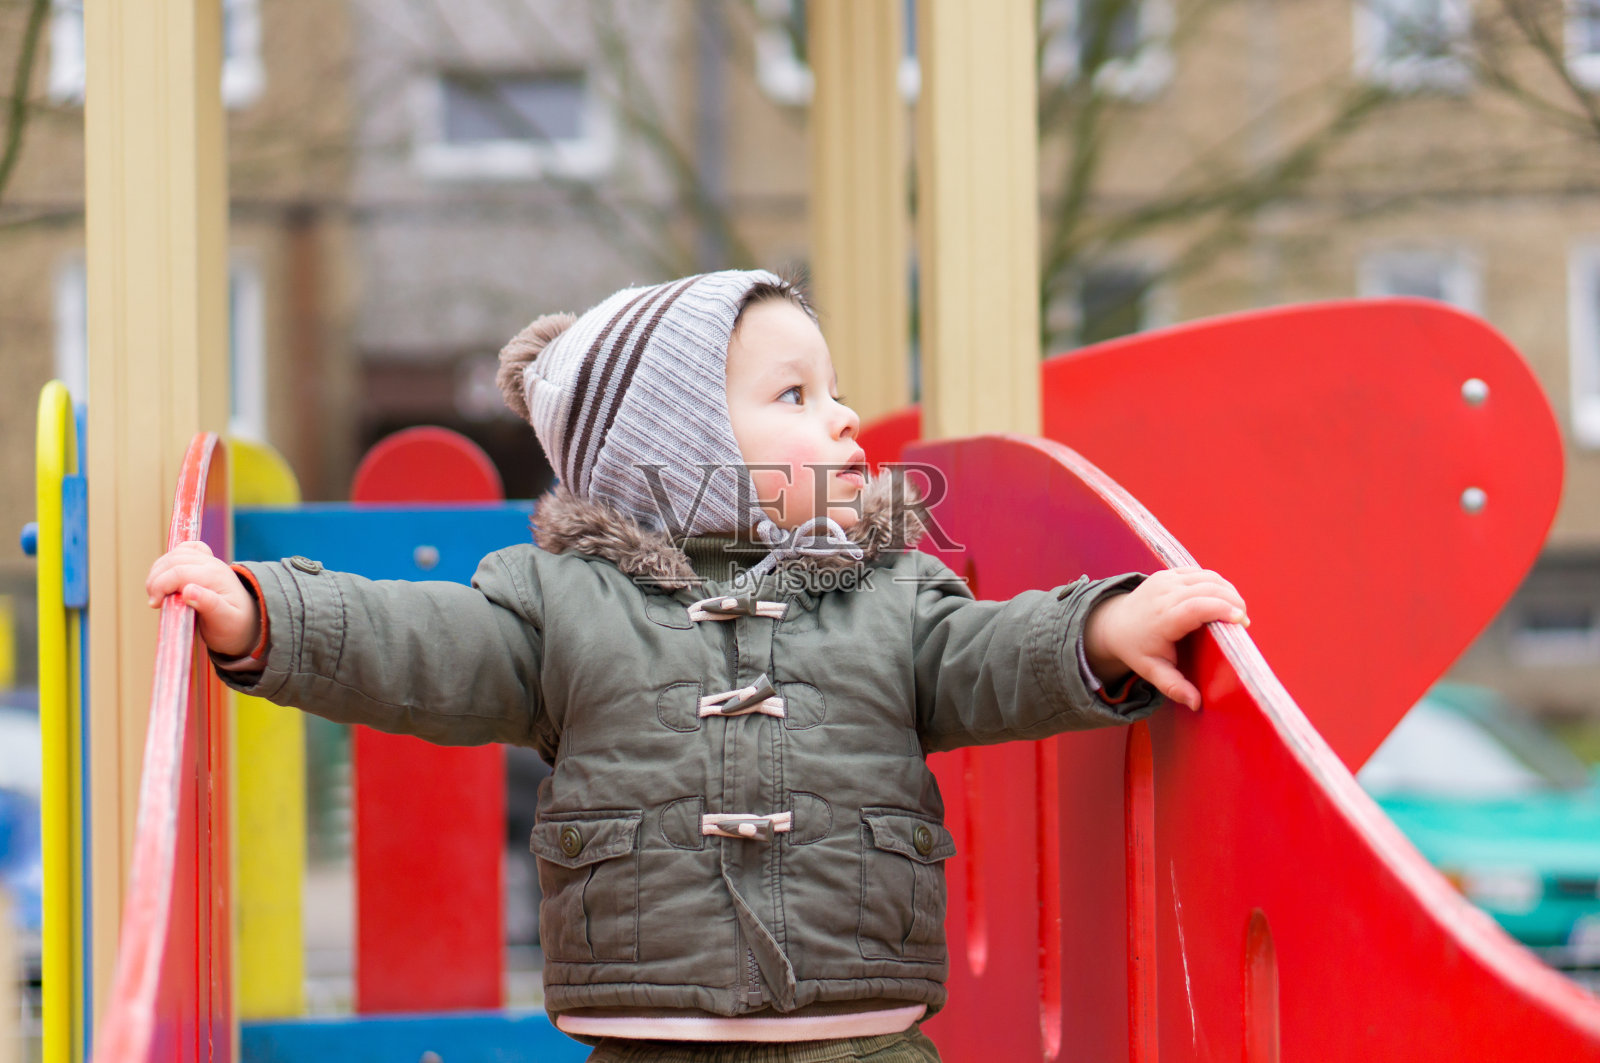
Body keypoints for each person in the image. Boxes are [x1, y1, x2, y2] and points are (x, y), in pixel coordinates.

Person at [146, 269, 1246, 1062]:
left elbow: (984, 656)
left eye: (832, 390)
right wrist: (268, 615)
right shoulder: (565, 603)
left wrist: (1100, 630)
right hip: (647, 1029)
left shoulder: (889, 592)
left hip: (858, 1029)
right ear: (678, 448)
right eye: (795, 396)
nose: (845, 417)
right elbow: (422, 645)